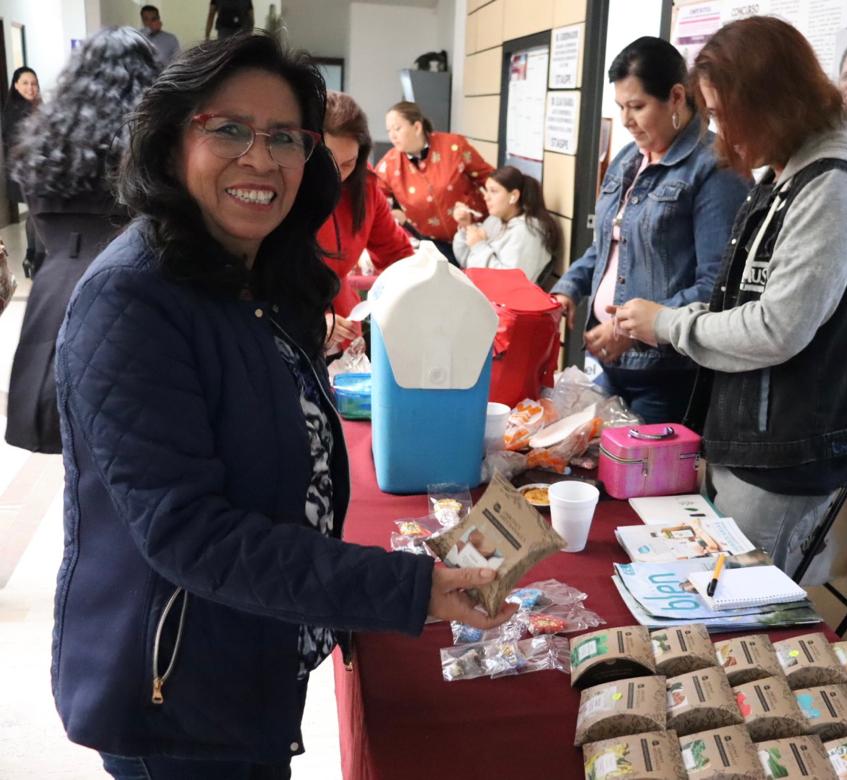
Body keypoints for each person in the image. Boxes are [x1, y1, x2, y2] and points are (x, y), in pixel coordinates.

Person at [52, 33, 513, 778]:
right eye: (229, 129)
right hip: (176, 698)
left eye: (286, 139)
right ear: (173, 143)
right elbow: (191, 534)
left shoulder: (257, 274)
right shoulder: (131, 301)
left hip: (249, 656)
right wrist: (405, 588)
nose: (261, 160)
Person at [612, 17, 847, 584]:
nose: (722, 135)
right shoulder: (789, 171)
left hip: (786, 452)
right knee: (720, 593)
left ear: (771, 102)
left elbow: (778, 327)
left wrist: (672, 325)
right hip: (749, 434)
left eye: (724, 115)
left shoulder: (835, 184)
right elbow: (740, 297)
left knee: (744, 609)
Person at [550, 37, 749, 424]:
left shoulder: (714, 168)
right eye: (621, 107)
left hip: (667, 376)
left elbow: (718, 286)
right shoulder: (629, 158)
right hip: (613, 367)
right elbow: (606, 247)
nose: (626, 120)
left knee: (641, 482)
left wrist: (636, 329)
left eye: (637, 107)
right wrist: (568, 288)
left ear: (676, 97)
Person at [5, 30, 159, 454]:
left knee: (71, 441)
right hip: (128, 287)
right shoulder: (150, 141)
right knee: (127, 441)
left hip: (55, 289)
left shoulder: (46, 141)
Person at [316, 91, 412, 353]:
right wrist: (308, 323)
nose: (336, 176)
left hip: (344, 325)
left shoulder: (365, 186)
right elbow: (259, 278)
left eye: (348, 163)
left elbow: (397, 253)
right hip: (287, 325)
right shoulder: (284, 186)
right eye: (327, 163)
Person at [375, 101, 494, 264]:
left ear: (417, 127)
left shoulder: (453, 146)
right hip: (433, 244)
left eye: (397, 128)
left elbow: (489, 178)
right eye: (389, 131)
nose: (392, 136)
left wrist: (503, 215)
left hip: (475, 234)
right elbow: (371, 197)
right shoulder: (389, 164)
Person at [452, 165, 560, 283]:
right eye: (486, 191)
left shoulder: (526, 232)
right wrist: (466, 227)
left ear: (513, 196)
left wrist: (478, 246)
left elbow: (508, 282)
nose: (486, 197)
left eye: (493, 191)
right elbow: (467, 260)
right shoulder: (495, 221)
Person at [2, 66, 44, 277]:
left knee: (34, 213)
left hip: (34, 171)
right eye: (26, 83)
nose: (31, 87)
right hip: (26, 173)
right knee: (37, 213)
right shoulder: (16, 112)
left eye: (34, 83)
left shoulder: (34, 107)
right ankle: (36, 258)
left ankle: (32, 257)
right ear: (16, 85)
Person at [140, 4, 180, 69]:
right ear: (142, 21)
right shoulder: (137, 36)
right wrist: (149, 31)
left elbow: (177, 62)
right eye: (146, 19)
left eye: (153, 19)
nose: (150, 23)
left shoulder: (171, 39)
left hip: (163, 76)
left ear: (158, 20)